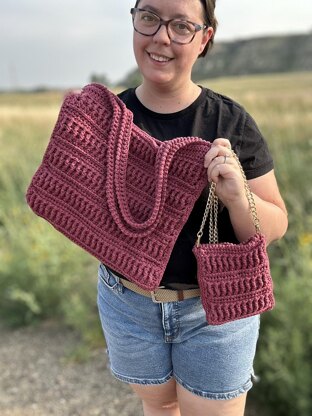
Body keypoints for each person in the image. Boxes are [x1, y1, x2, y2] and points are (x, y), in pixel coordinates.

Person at [97, 1, 288, 415]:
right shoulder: (109, 119)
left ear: (204, 38)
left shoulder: (230, 122)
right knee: (160, 407)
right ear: (133, 20)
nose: (162, 36)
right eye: (149, 17)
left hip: (213, 310)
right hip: (128, 304)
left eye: (182, 25)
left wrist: (237, 195)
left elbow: (275, 224)